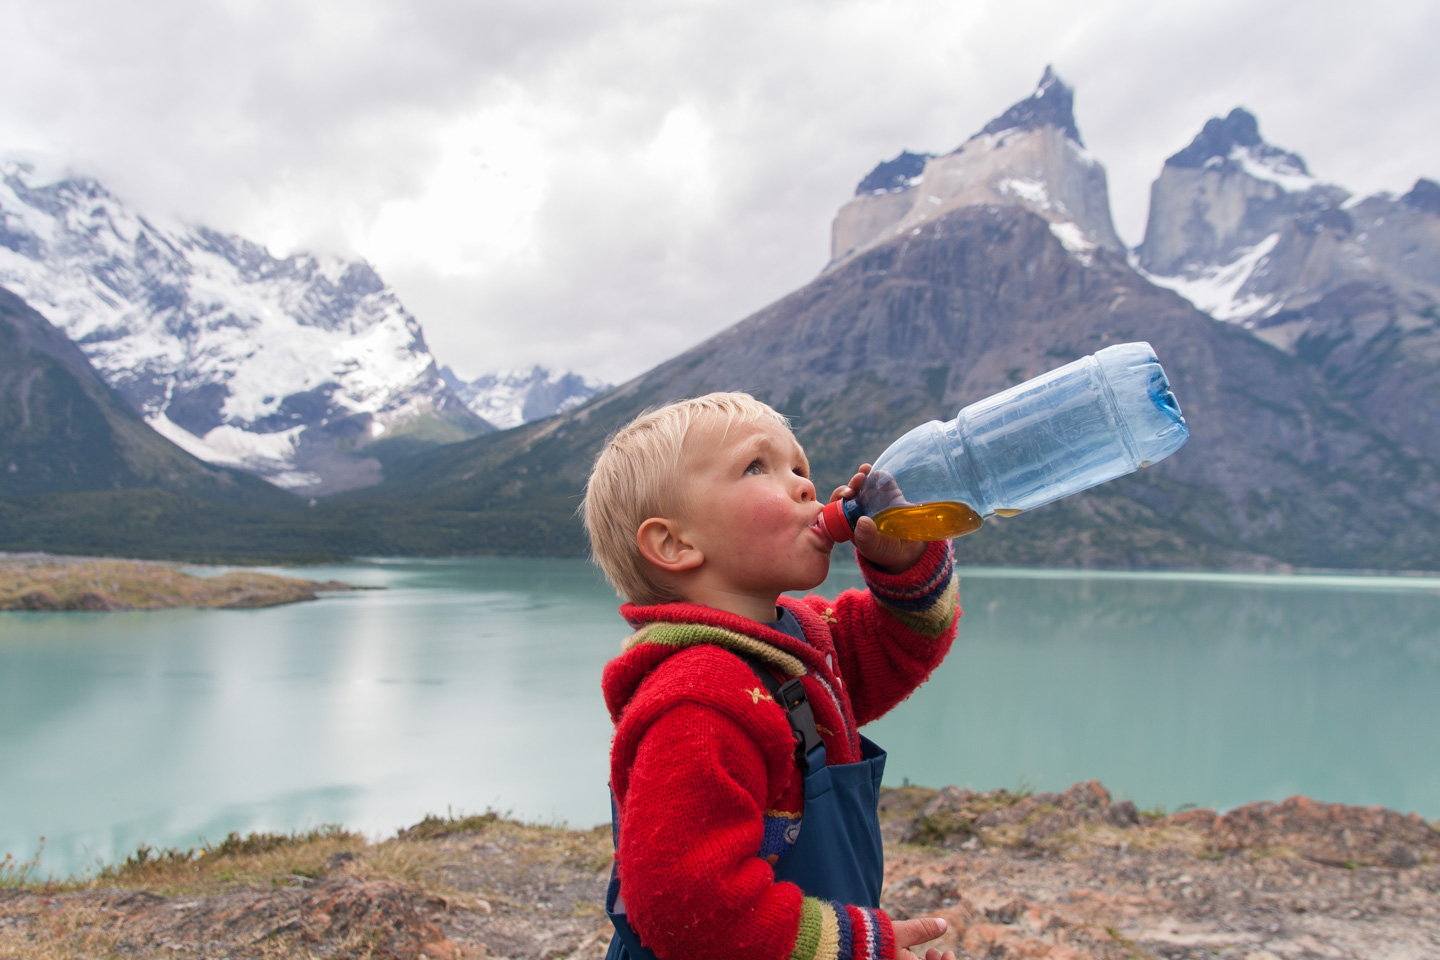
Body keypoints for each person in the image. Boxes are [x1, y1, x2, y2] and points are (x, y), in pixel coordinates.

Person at [583, 392, 960, 960]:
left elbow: (902, 644)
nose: (806, 486)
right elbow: (684, 907)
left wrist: (902, 563)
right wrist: (853, 948)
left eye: (800, 468)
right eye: (757, 467)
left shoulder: (802, 638)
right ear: (675, 543)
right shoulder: (696, 700)